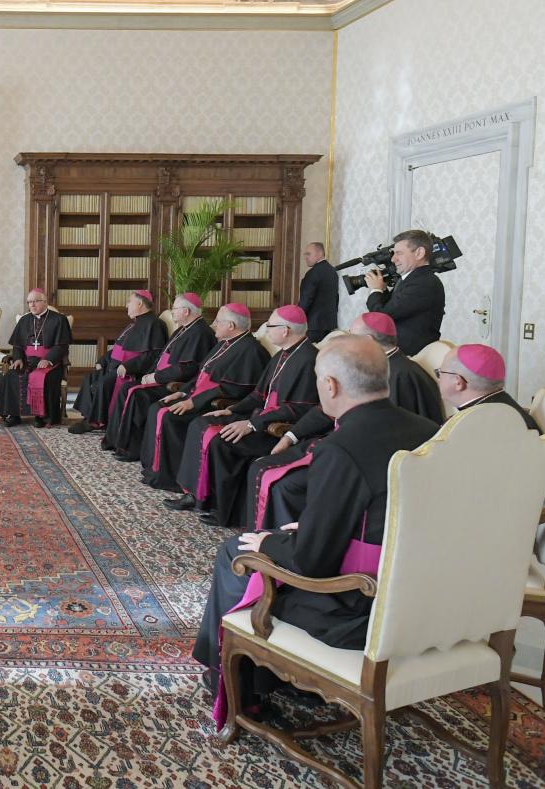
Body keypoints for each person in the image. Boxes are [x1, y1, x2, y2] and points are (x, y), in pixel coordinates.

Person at [192, 336, 441, 726]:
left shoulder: (341, 447)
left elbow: (312, 563)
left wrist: (273, 540)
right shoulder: (430, 432)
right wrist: (307, 527)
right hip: (423, 595)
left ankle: (241, 686)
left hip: (358, 609)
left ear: (331, 386)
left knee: (237, 553)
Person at [245, 311, 445, 530]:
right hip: (343, 443)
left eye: (352, 334)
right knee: (263, 467)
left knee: (282, 483)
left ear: (367, 341)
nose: (347, 337)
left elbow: (398, 434)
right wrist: (292, 436)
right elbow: (327, 410)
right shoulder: (367, 365)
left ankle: (285, 543)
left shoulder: (403, 374)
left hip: (363, 460)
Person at [166, 306, 320, 527]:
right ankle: (196, 494)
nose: (266, 328)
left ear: (285, 330)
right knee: (201, 422)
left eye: (271, 325)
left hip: (276, 428)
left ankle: (223, 509)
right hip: (260, 419)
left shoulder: (308, 359)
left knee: (222, 442)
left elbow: (298, 409)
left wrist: (252, 424)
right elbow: (259, 394)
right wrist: (233, 410)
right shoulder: (283, 355)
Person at [139, 303, 268, 491]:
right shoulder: (223, 344)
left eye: (218, 321)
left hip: (214, 404)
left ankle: (173, 479)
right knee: (158, 407)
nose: (214, 324)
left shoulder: (251, 351)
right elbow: (200, 374)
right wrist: (183, 391)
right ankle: (156, 470)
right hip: (198, 397)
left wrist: (193, 402)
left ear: (231, 326)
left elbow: (233, 390)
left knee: (171, 418)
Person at [104, 293, 216, 460]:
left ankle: (132, 449)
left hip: (175, 383)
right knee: (128, 389)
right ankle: (116, 441)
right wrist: (149, 373)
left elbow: (187, 368)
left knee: (135, 394)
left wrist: (156, 377)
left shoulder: (200, 333)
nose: (172, 311)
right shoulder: (183, 329)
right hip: (162, 377)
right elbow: (160, 356)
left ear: (186, 311)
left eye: (175, 308)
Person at [69, 290, 167, 434]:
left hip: (131, 371)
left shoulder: (155, 324)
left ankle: (96, 422)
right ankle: (89, 416)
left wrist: (128, 366)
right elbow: (119, 349)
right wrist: (103, 360)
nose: (126, 305)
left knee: (104, 383)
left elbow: (154, 355)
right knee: (90, 377)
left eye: (130, 301)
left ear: (140, 303)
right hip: (115, 366)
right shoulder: (133, 324)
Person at [364, 229, 446, 356]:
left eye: (399, 253)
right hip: (401, 355)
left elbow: (382, 318)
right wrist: (383, 289)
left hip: (410, 358)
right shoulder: (411, 279)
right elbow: (392, 308)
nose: (393, 259)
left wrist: (376, 290)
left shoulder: (423, 283)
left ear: (419, 253)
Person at [0, 290, 72, 427]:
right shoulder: (24, 320)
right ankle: (14, 415)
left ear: (44, 302)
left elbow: (62, 346)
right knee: (11, 376)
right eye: (29, 302)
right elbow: (18, 344)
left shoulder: (59, 319)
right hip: (28, 361)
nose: (31, 305)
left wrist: (48, 359)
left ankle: (41, 416)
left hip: (50, 363)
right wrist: (18, 358)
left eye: (35, 301)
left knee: (43, 378)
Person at [437, 343, 539, 430]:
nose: (439, 379)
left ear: (458, 382)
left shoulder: (460, 428)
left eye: (440, 372)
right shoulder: (517, 414)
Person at [297, 242, 338, 343]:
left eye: (308, 254)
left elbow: (306, 299)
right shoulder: (332, 271)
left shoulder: (313, 273)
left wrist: (297, 317)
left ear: (320, 253)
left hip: (313, 325)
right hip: (330, 324)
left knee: (309, 354)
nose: (305, 257)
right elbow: (336, 298)